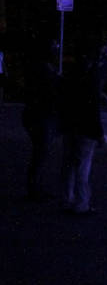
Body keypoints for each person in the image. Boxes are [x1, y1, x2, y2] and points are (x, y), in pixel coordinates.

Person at [60, 52, 104, 214]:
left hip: (71, 127)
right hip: (86, 131)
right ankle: (81, 203)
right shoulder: (92, 80)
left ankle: (66, 199)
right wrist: (99, 134)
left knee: (68, 165)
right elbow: (94, 110)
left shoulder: (70, 78)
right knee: (82, 168)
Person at [21, 44, 60, 200]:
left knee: (39, 153)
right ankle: (34, 189)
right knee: (40, 153)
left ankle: (35, 187)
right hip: (41, 116)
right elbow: (51, 92)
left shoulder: (39, 70)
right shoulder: (46, 72)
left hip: (36, 114)